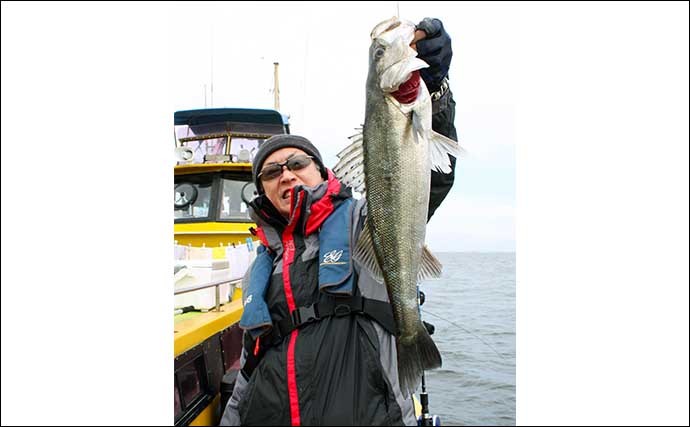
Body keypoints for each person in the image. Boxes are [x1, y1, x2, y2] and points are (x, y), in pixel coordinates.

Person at [220, 18, 457, 426]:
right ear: (261, 190)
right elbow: (247, 372)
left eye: (297, 163)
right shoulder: (261, 266)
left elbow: (431, 179)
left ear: (322, 171)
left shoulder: (364, 222)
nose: (287, 175)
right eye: (272, 172)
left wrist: (436, 88)